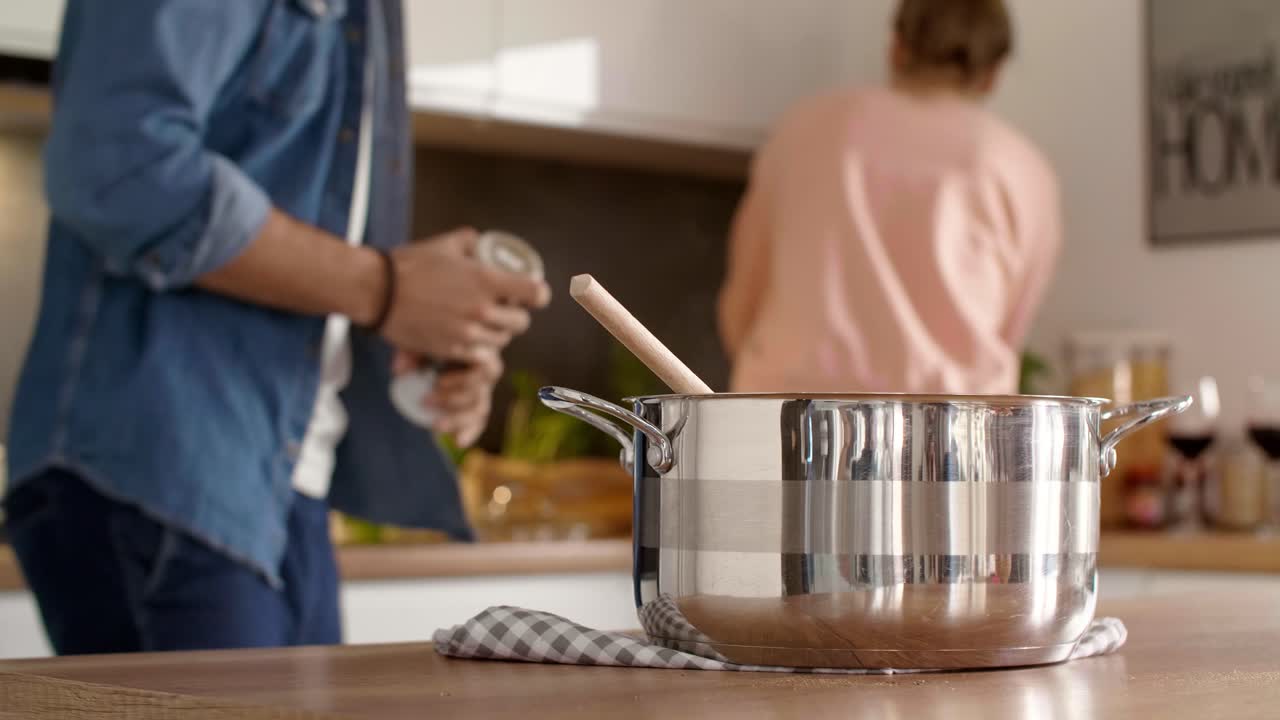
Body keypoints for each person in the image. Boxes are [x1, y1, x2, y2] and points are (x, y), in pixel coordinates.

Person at [2, 0, 550, 655]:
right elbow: (121, 166)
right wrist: (385, 289)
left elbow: (321, 238)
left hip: (287, 483)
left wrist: (424, 323)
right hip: (167, 467)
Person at [718, 0, 1060, 396]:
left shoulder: (803, 130)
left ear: (897, 48)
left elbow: (742, 304)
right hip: (951, 422)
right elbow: (1009, 330)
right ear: (992, 75)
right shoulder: (1021, 168)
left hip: (790, 413)